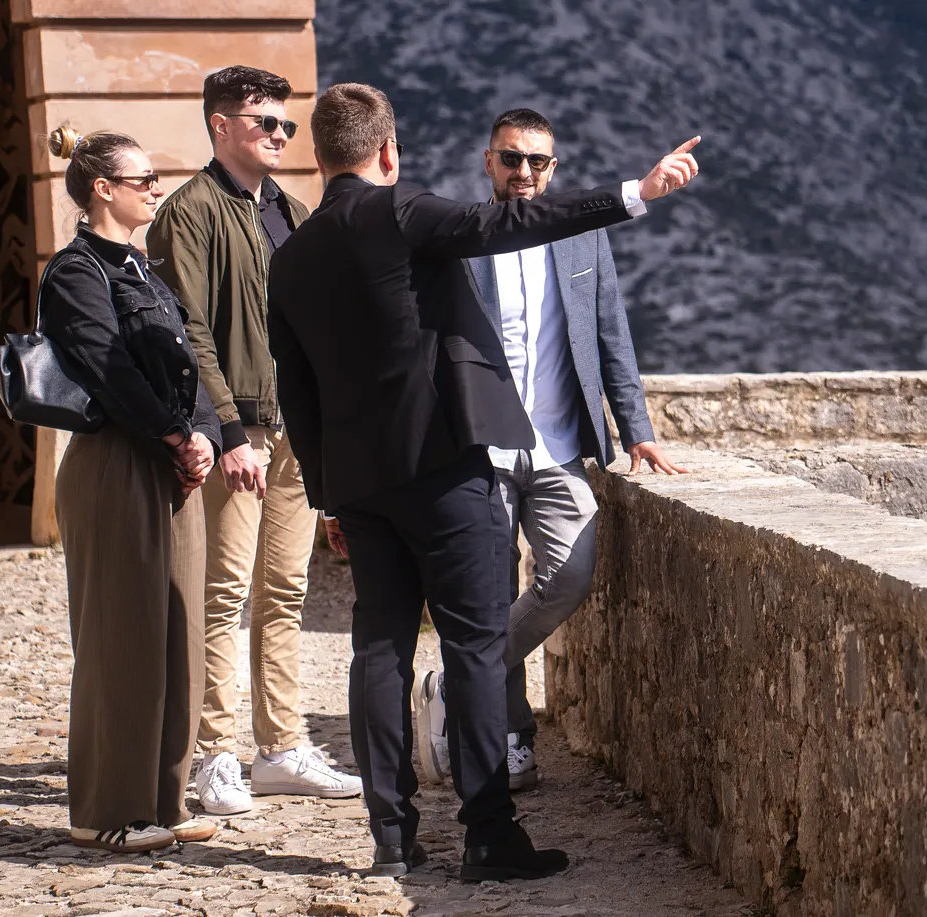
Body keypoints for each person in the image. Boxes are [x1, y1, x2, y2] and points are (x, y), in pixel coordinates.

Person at [266, 83, 700, 881]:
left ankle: (392, 837)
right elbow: (508, 221)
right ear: (388, 151)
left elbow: (298, 392)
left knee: (379, 652)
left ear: (318, 157)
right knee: (471, 647)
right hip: (444, 472)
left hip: (360, 486)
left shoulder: (290, 258)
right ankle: (489, 833)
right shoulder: (405, 211)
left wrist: (328, 490)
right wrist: (634, 194)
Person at [409, 108, 684, 793]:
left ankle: (454, 678)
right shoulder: (462, 238)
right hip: (482, 448)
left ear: (553, 169)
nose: (524, 172)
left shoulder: (583, 239)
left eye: (538, 162)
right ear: (487, 161)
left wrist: (636, 427)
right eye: (511, 159)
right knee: (490, 591)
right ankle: (508, 736)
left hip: (561, 447)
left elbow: (610, 333)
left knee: (568, 574)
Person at [151, 66, 362, 816]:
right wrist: (228, 430)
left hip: (298, 432)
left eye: (286, 124)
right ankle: (213, 754)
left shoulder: (295, 213)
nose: (278, 134)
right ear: (220, 124)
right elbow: (189, 332)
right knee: (224, 595)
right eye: (263, 121)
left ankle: (280, 748)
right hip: (238, 433)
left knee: (286, 591)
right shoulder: (190, 212)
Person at [40, 130, 224, 853]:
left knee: (178, 633)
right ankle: (107, 809)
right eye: (142, 176)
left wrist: (204, 431)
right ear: (101, 189)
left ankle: (163, 800)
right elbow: (107, 367)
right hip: (117, 461)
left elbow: (188, 356)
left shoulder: (146, 271)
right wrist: (178, 436)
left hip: (170, 463)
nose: (156, 186)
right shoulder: (76, 271)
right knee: (122, 637)